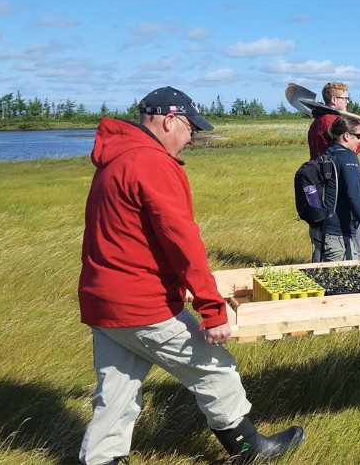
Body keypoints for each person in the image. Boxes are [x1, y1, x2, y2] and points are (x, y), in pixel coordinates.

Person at [77, 86, 304, 464]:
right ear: (170, 120)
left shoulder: (116, 159)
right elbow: (182, 242)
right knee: (215, 370)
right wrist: (212, 309)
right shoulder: (151, 163)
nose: (192, 139)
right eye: (191, 130)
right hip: (142, 303)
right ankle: (249, 450)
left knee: (116, 392)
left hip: (103, 302)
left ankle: (100, 459)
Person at [311, 115, 360, 261]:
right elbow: (354, 195)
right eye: (358, 135)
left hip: (321, 227)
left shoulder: (325, 155)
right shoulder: (348, 158)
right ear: (347, 135)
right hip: (339, 232)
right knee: (340, 279)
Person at [307, 81, 360, 160]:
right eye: (345, 99)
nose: (347, 101)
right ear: (334, 99)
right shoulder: (334, 122)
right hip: (332, 169)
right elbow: (347, 152)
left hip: (318, 168)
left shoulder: (317, 120)